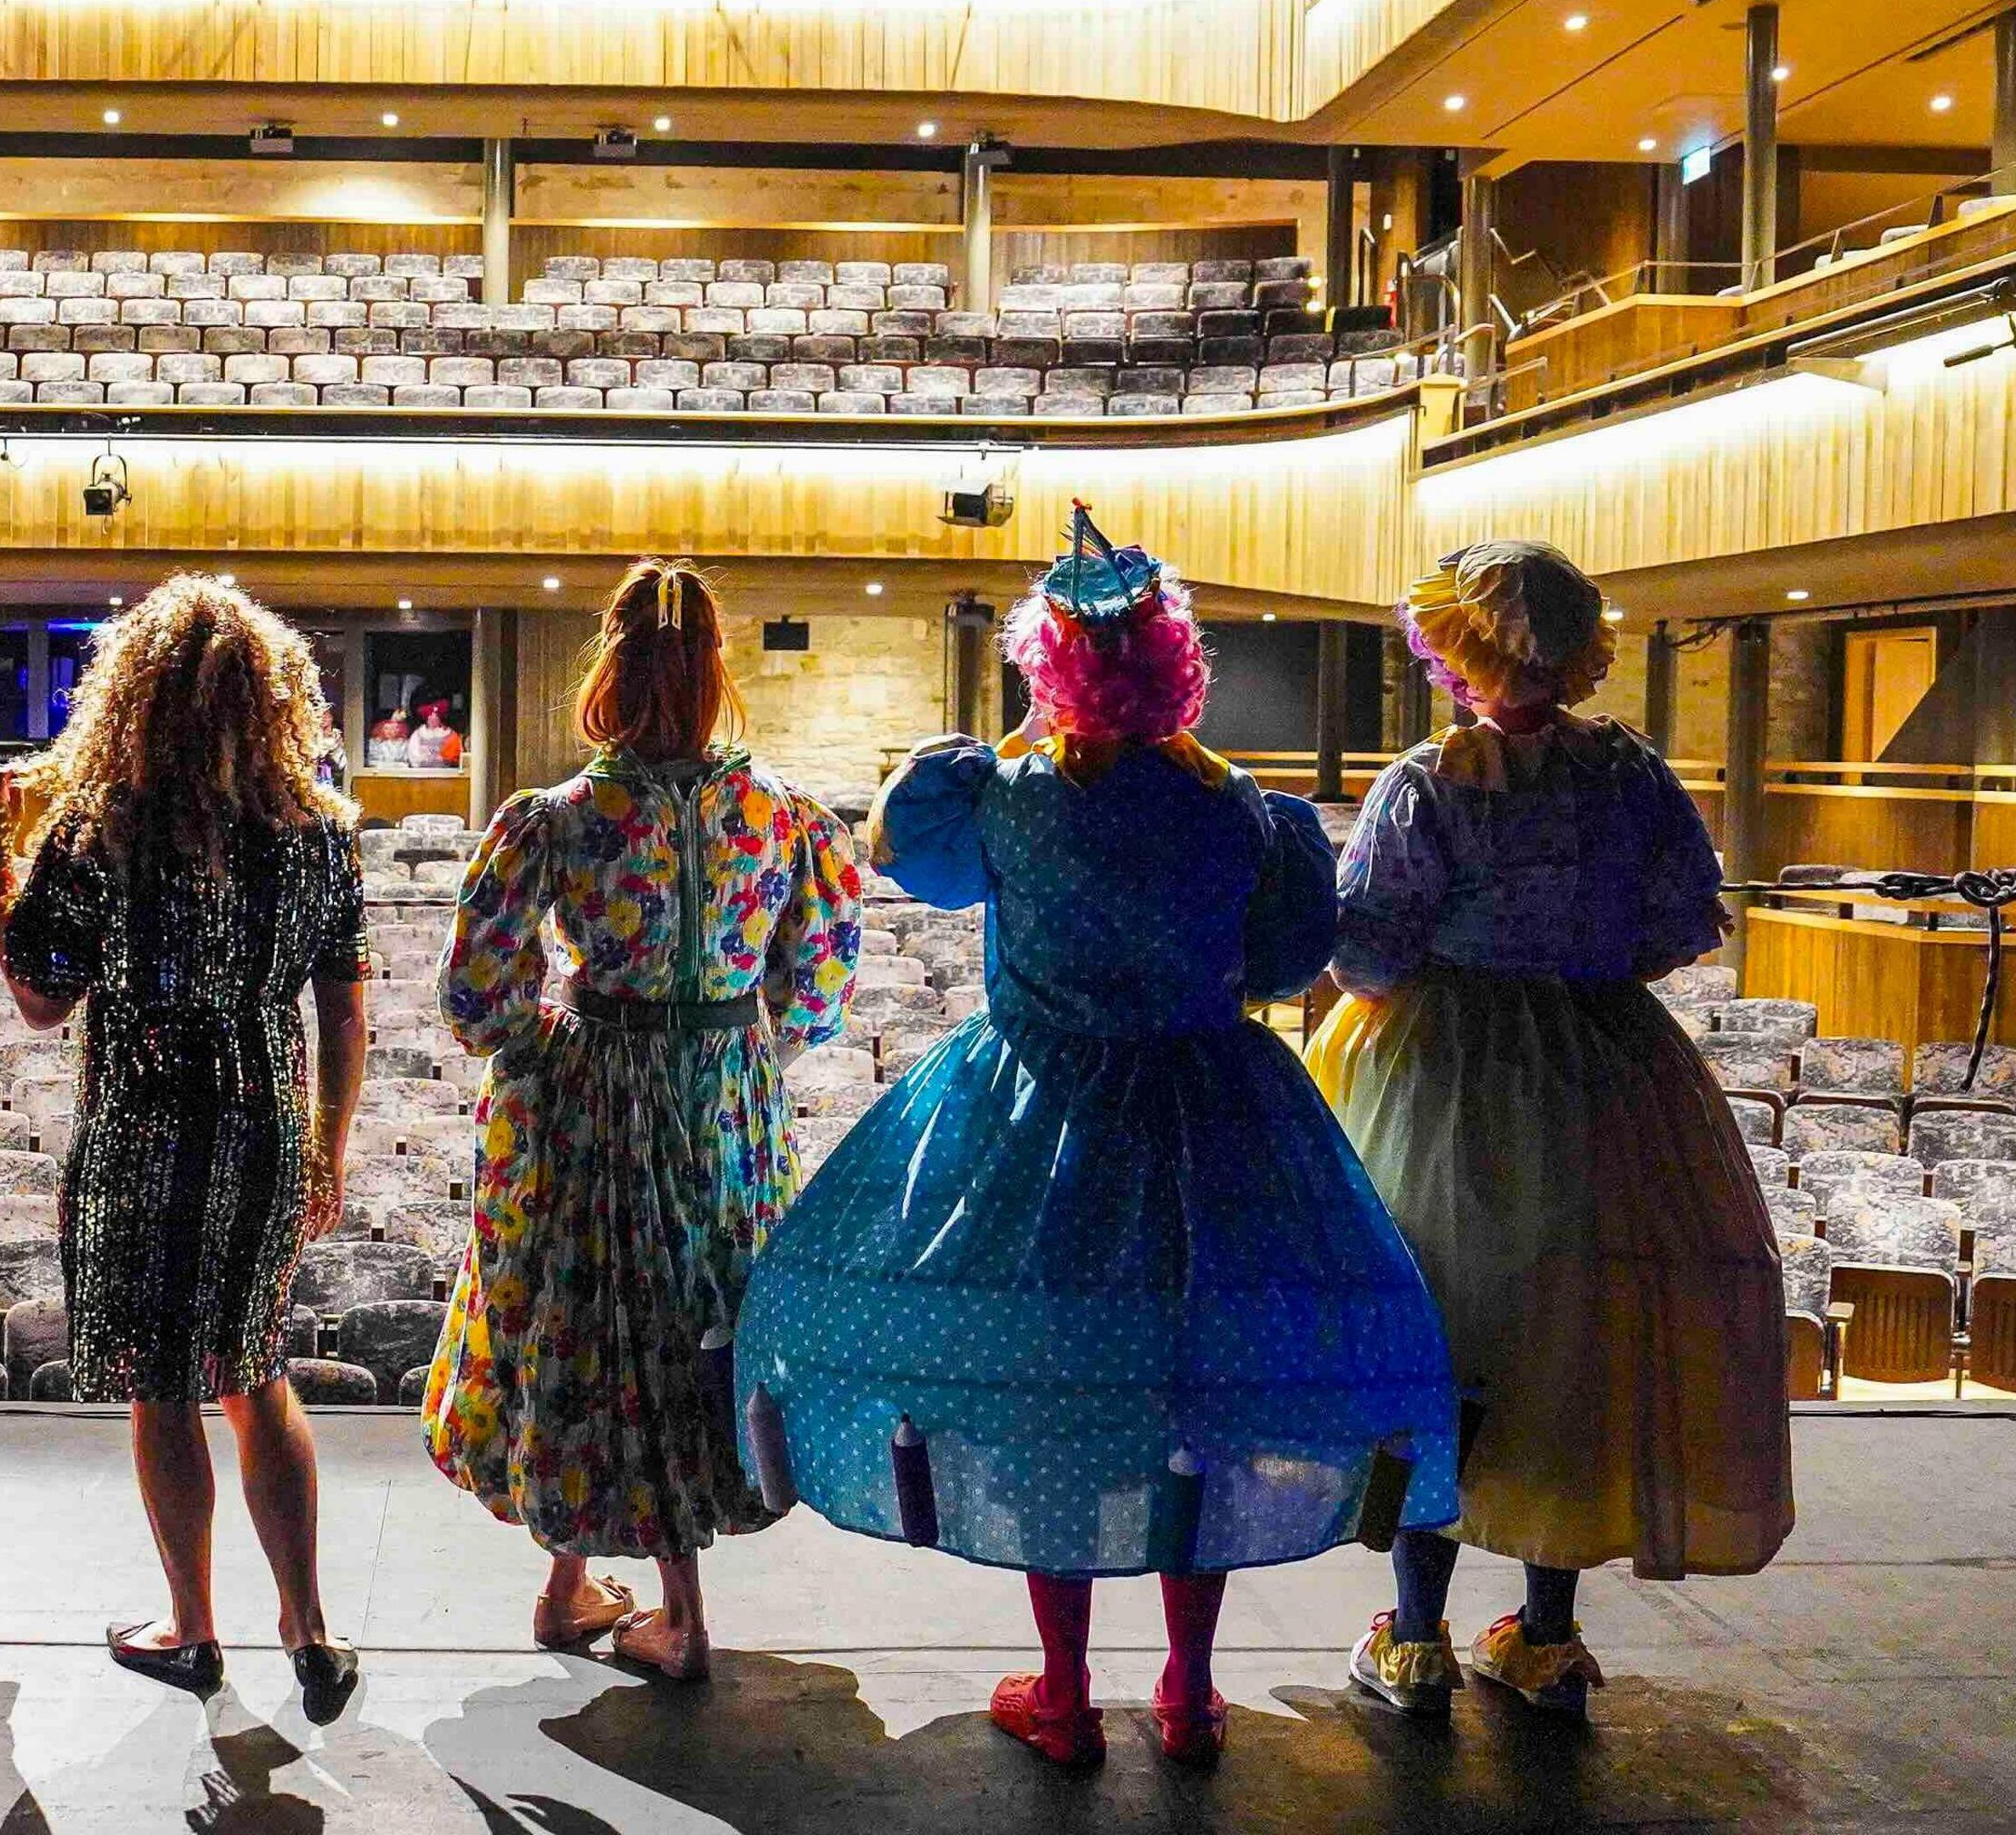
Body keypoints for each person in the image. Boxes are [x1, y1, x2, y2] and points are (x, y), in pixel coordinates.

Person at [734, 516, 1460, 1767]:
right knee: (1202, 1392)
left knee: (1052, 1395)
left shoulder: (1006, 802)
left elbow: (911, 853)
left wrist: (1027, 745)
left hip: (1040, 1121)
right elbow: (1293, 958)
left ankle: (1065, 1693)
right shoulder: (1249, 817)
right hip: (1213, 1120)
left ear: (1047, 670)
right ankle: (1188, 1692)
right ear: (1181, 668)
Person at [1311, 539, 1791, 1720]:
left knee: (1446, 1332)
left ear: (1459, 651)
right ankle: (1545, 1635)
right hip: (1608, 1069)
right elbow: (1686, 917)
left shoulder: (1430, 780)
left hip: (1445, 1075)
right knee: (1579, 1337)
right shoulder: (1629, 770)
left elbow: (1366, 949)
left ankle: (1416, 1638)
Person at [421, 560, 863, 1682]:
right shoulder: (787, 818)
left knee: (594, 1328)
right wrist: (727, 1041)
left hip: (593, 1099)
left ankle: (678, 1619)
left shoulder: (559, 822)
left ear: (610, 669)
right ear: (718, 672)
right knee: (694, 1331)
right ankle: (572, 1590)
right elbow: (814, 993)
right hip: (726, 1098)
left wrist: (553, 1038)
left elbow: (477, 995)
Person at [0, 573, 371, 1723]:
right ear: (269, 699)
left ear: (131, 699)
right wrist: (329, 1146)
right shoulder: (318, 834)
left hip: (143, 1122)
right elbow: (342, 1008)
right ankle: (309, 1625)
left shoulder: (97, 829)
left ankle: (191, 1629)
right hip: (263, 1119)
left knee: (162, 1384)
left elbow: (44, 1001)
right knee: (253, 1368)